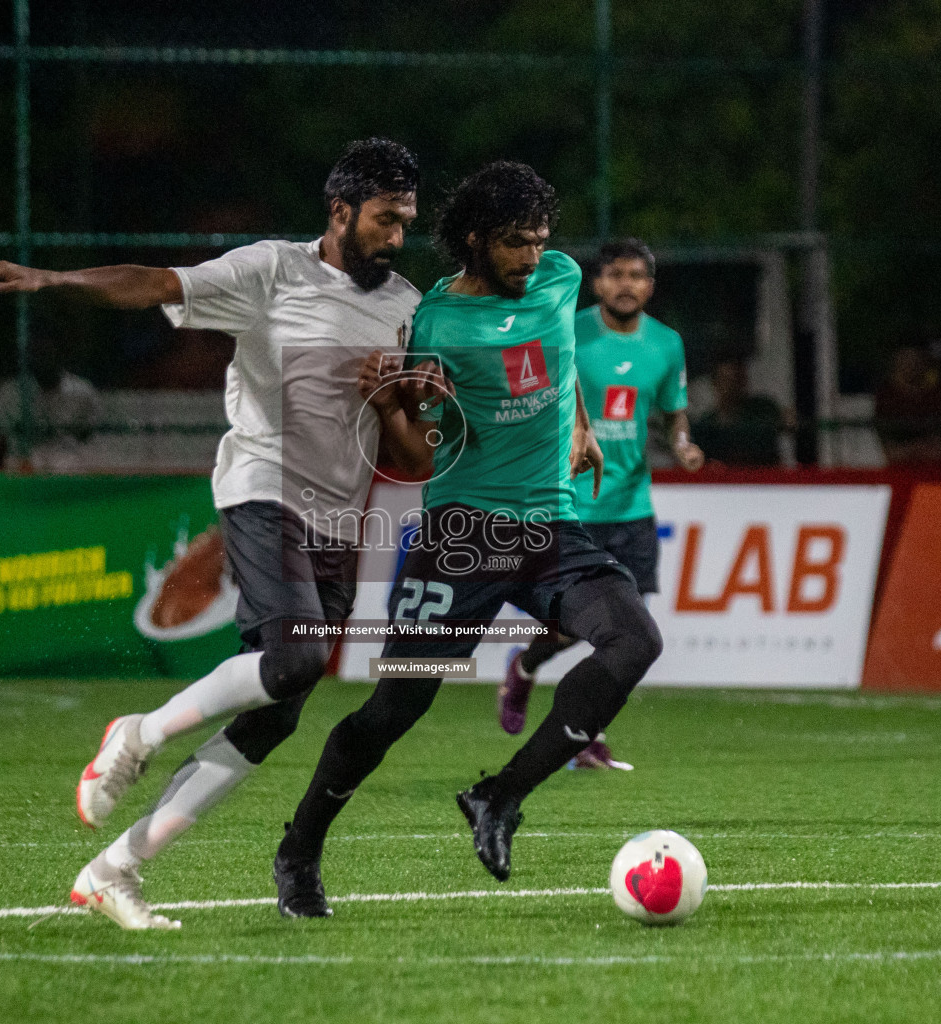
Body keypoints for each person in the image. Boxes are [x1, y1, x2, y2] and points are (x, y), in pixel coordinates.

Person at [0, 138, 425, 930]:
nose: (397, 237)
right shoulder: (270, 271)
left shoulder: (406, 304)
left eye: (408, 221)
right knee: (296, 658)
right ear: (340, 211)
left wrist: (397, 405)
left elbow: (406, 446)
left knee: (279, 708)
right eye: (385, 219)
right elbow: (153, 284)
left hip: (339, 520)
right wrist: (52, 279)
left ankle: (115, 869)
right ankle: (138, 733)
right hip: (261, 489)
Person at [271, 161, 664, 918]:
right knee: (394, 711)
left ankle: (499, 796)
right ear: (478, 241)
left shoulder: (557, 279)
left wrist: (579, 423)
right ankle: (300, 851)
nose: (533, 257)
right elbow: (417, 458)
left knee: (633, 641)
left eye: (541, 241)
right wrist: (387, 405)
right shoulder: (436, 328)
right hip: (464, 539)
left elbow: (556, 354)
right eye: (517, 244)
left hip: (550, 527)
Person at [496, 237, 703, 771]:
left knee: (630, 634)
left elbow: (673, 412)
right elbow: (529, 387)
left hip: (633, 506)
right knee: (580, 626)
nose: (626, 284)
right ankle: (526, 670)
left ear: (650, 286)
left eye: (637, 275)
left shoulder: (666, 343)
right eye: (615, 274)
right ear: (597, 282)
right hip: (573, 506)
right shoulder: (570, 330)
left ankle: (584, 733)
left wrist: (682, 445)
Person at [0, 335, 100, 473]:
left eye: (48, 352)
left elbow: (89, 435)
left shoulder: (82, 391)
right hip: (21, 468)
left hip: (67, 469)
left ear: (62, 355)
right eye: (38, 353)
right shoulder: (9, 392)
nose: (44, 359)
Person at [873, 343, 941, 466]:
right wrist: (913, 450)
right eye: (905, 360)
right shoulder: (886, 397)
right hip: (901, 474)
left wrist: (938, 448)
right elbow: (890, 450)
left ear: (925, 362)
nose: (911, 366)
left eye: (915, 360)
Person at [693, 357, 786, 467]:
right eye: (727, 381)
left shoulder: (763, 410)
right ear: (715, 383)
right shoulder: (706, 425)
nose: (733, 388)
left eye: (739, 380)